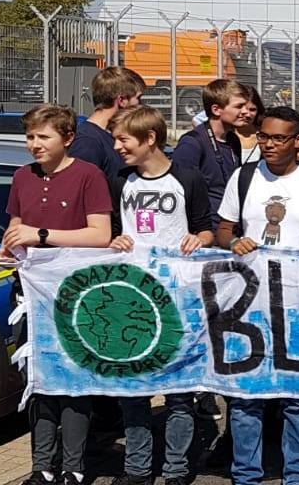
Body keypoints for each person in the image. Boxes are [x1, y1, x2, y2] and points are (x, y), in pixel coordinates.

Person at [214, 106, 299, 485]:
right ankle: (246, 475)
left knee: (298, 399)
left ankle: (297, 475)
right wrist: (235, 242)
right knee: (245, 398)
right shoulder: (245, 177)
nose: (268, 144)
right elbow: (224, 229)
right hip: (248, 305)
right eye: (263, 137)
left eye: (278, 138)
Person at [0, 105, 114, 485]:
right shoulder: (21, 177)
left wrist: (42, 235)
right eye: (30, 137)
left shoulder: (88, 176)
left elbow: (100, 235)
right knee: (39, 380)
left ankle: (75, 466)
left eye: (43, 137)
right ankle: (41, 465)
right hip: (30, 293)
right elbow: (16, 227)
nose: (35, 145)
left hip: (75, 294)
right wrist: (10, 249)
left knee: (73, 382)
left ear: (67, 139)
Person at [106, 106, 213, 485]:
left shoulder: (187, 178)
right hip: (132, 298)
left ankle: (176, 468)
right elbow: (111, 230)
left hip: (178, 297)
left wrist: (198, 239)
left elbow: (207, 229)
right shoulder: (120, 180)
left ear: (150, 138)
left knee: (178, 392)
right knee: (133, 388)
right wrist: (113, 239)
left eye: (124, 140)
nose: (117, 147)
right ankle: (136, 468)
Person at [172, 79, 248, 222]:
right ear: (216, 109)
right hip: (204, 231)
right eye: (239, 106)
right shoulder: (192, 143)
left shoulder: (233, 140)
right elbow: (179, 191)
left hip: (228, 225)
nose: (246, 112)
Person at [69, 66, 146, 180]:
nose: (141, 105)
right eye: (138, 98)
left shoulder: (112, 135)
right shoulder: (87, 143)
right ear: (122, 101)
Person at [234, 85, 264, 164]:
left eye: (252, 109)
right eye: (240, 108)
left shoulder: (265, 135)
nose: (247, 114)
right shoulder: (224, 136)